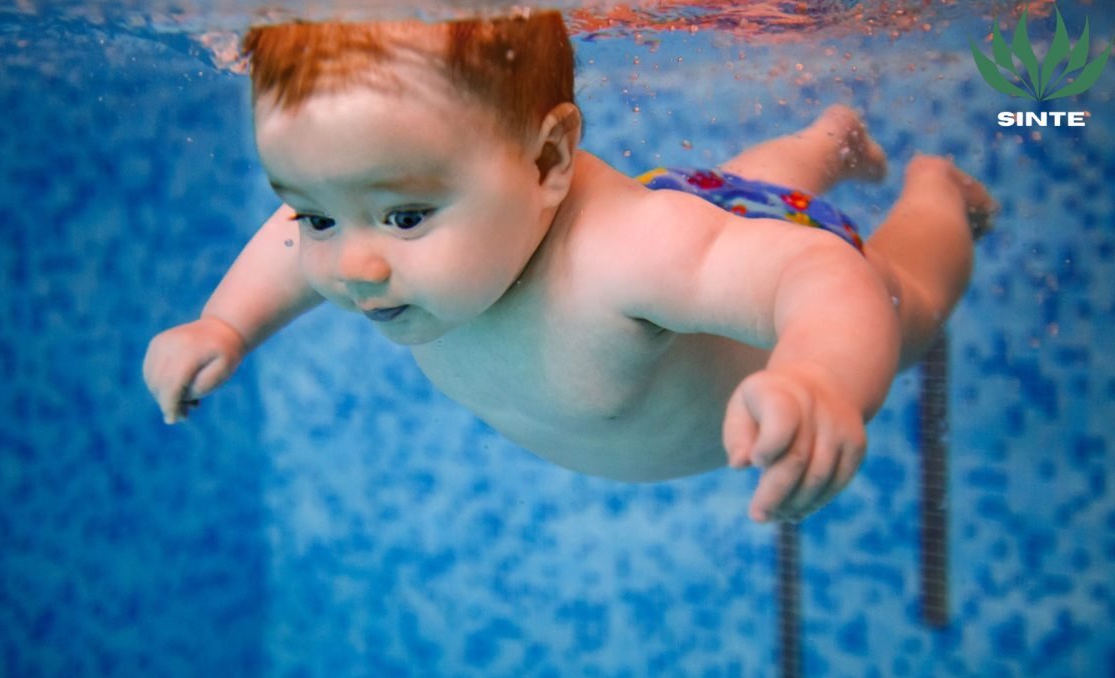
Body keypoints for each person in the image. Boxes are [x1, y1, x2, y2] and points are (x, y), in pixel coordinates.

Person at [142, 12, 995, 523]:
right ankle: (822, 142)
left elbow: (816, 277)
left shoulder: (622, 255)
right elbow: (288, 246)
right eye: (317, 212)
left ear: (548, 159)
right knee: (737, 196)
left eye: (404, 216)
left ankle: (937, 197)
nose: (349, 264)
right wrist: (225, 324)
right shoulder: (380, 242)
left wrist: (821, 377)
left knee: (906, 299)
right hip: (699, 209)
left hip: (739, 257)